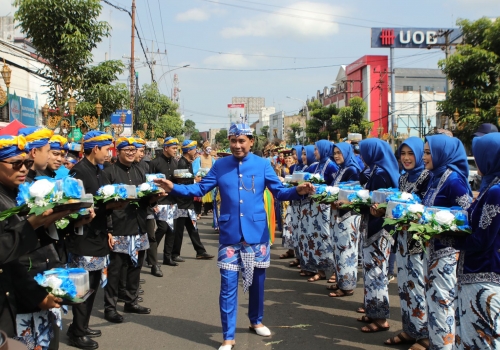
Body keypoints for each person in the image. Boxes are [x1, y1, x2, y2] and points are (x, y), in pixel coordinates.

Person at [153, 122, 315, 350]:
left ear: (251, 141)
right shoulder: (220, 165)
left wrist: (297, 191)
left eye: (241, 141)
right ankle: (228, 336)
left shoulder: (263, 164)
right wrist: (173, 188)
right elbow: (200, 190)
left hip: (257, 235)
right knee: (228, 286)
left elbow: (278, 191)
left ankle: (256, 320)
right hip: (230, 236)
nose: (237, 145)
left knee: (258, 283)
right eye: (233, 141)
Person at [0, 135, 68, 340]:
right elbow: (9, 257)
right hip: (18, 295)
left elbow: (34, 241)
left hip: (38, 283)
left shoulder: (19, 192)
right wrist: (37, 296)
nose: (23, 169)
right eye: (15, 163)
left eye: (26, 163)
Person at [440, 133, 500, 349]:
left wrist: (446, 238)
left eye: (479, 155)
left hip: (484, 275)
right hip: (476, 272)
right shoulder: (490, 187)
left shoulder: (495, 191)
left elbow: (482, 239)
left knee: (482, 337)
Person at [66, 131, 117, 349]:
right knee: (82, 287)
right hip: (83, 237)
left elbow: (102, 200)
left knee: (93, 286)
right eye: (106, 150)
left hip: (98, 234)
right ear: (95, 149)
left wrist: (109, 226)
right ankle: (77, 333)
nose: (109, 154)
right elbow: (72, 205)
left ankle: (81, 325)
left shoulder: (99, 171)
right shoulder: (78, 171)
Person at [421, 134, 472, 349]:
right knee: (434, 305)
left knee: (443, 306)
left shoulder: (453, 180)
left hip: (447, 256)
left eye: (428, 152)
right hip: (432, 252)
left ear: (441, 153)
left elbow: (468, 215)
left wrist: (441, 225)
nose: (423, 157)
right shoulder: (435, 177)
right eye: (424, 152)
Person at [384, 137, 431, 349]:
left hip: (418, 239)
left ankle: (424, 334)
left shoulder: (427, 177)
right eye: (403, 154)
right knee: (404, 284)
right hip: (402, 236)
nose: (406, 158)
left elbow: (427, 211)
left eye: (411, 154)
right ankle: (410, 329)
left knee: (418, 284)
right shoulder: (403, 178)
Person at [102, 137, 154, 323]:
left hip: (138, 225)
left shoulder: (140, 171)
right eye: (127, 150)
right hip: (119, 227)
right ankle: (110, 307)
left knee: (136, 267)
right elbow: (104, 204)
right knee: (115, 270)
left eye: (134, 150)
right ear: (119, 151)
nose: (131, 153)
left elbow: (144, 198)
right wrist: (108, 229)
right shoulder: (110, 172)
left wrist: (154, 197)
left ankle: (131, 301)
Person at [357, 138, 400, 333]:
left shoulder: (381, 173)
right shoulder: (376, 169)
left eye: (364, 152)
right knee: (371, 271)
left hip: (379, 227)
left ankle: (381, 319)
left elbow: (377, 201)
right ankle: (373, 310)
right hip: (372, 224)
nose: (361, 156)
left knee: (376, 272)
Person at [328, 142, 362, 297]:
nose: (336, 156)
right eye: (334, 153)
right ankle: (341, 281)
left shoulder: (352, 170)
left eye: (339, 153)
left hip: (348, 216)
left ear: (347, 153)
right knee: (338, 249)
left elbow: (353, 194)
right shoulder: (341, 169)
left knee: (346, 250)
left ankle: (347, 286)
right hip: (338, 214)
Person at [301, 141, 338, 283]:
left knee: (327, 238)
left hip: (326, 207)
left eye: (316, 150)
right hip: (316, 206)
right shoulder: (318, 165)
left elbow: (335, 186)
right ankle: (321, 270)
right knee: (317, 238)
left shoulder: (331, 165)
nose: (314, 152)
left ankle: (334, 270)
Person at [172, 140, 214, 261]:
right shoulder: (181, 163)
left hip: (187, 201)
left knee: (193, 227)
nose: (196, 151)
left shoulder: (188, 163)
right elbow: (181, 182)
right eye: (194, 149)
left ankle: (200, 251)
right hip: (181, 202)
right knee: (179, 229)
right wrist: (195, 181)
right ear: (189, 150)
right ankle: (174, 254)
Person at [149, 137, 179, 268]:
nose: (175, 150)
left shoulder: (175, 163)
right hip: (159, 201)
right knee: (162, 228)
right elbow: (149, 183)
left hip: (172, 201)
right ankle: (151, 256)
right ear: (166, 148)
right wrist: (153, 203)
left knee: (172, 230)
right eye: (173, 148)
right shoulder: (155, 163)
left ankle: (167, 257)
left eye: (176, 148)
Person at [192, 141, 216, 218]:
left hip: (209, 180)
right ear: (204, 149)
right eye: (207, 149)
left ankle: (207, 211)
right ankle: (198, 212)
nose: (209, 151)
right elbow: (195, 170)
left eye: (210, 149)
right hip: (201, 180)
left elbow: (215, 169)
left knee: (210, 198)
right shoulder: (199, 158)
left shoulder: (212, 159)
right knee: (198, 198)